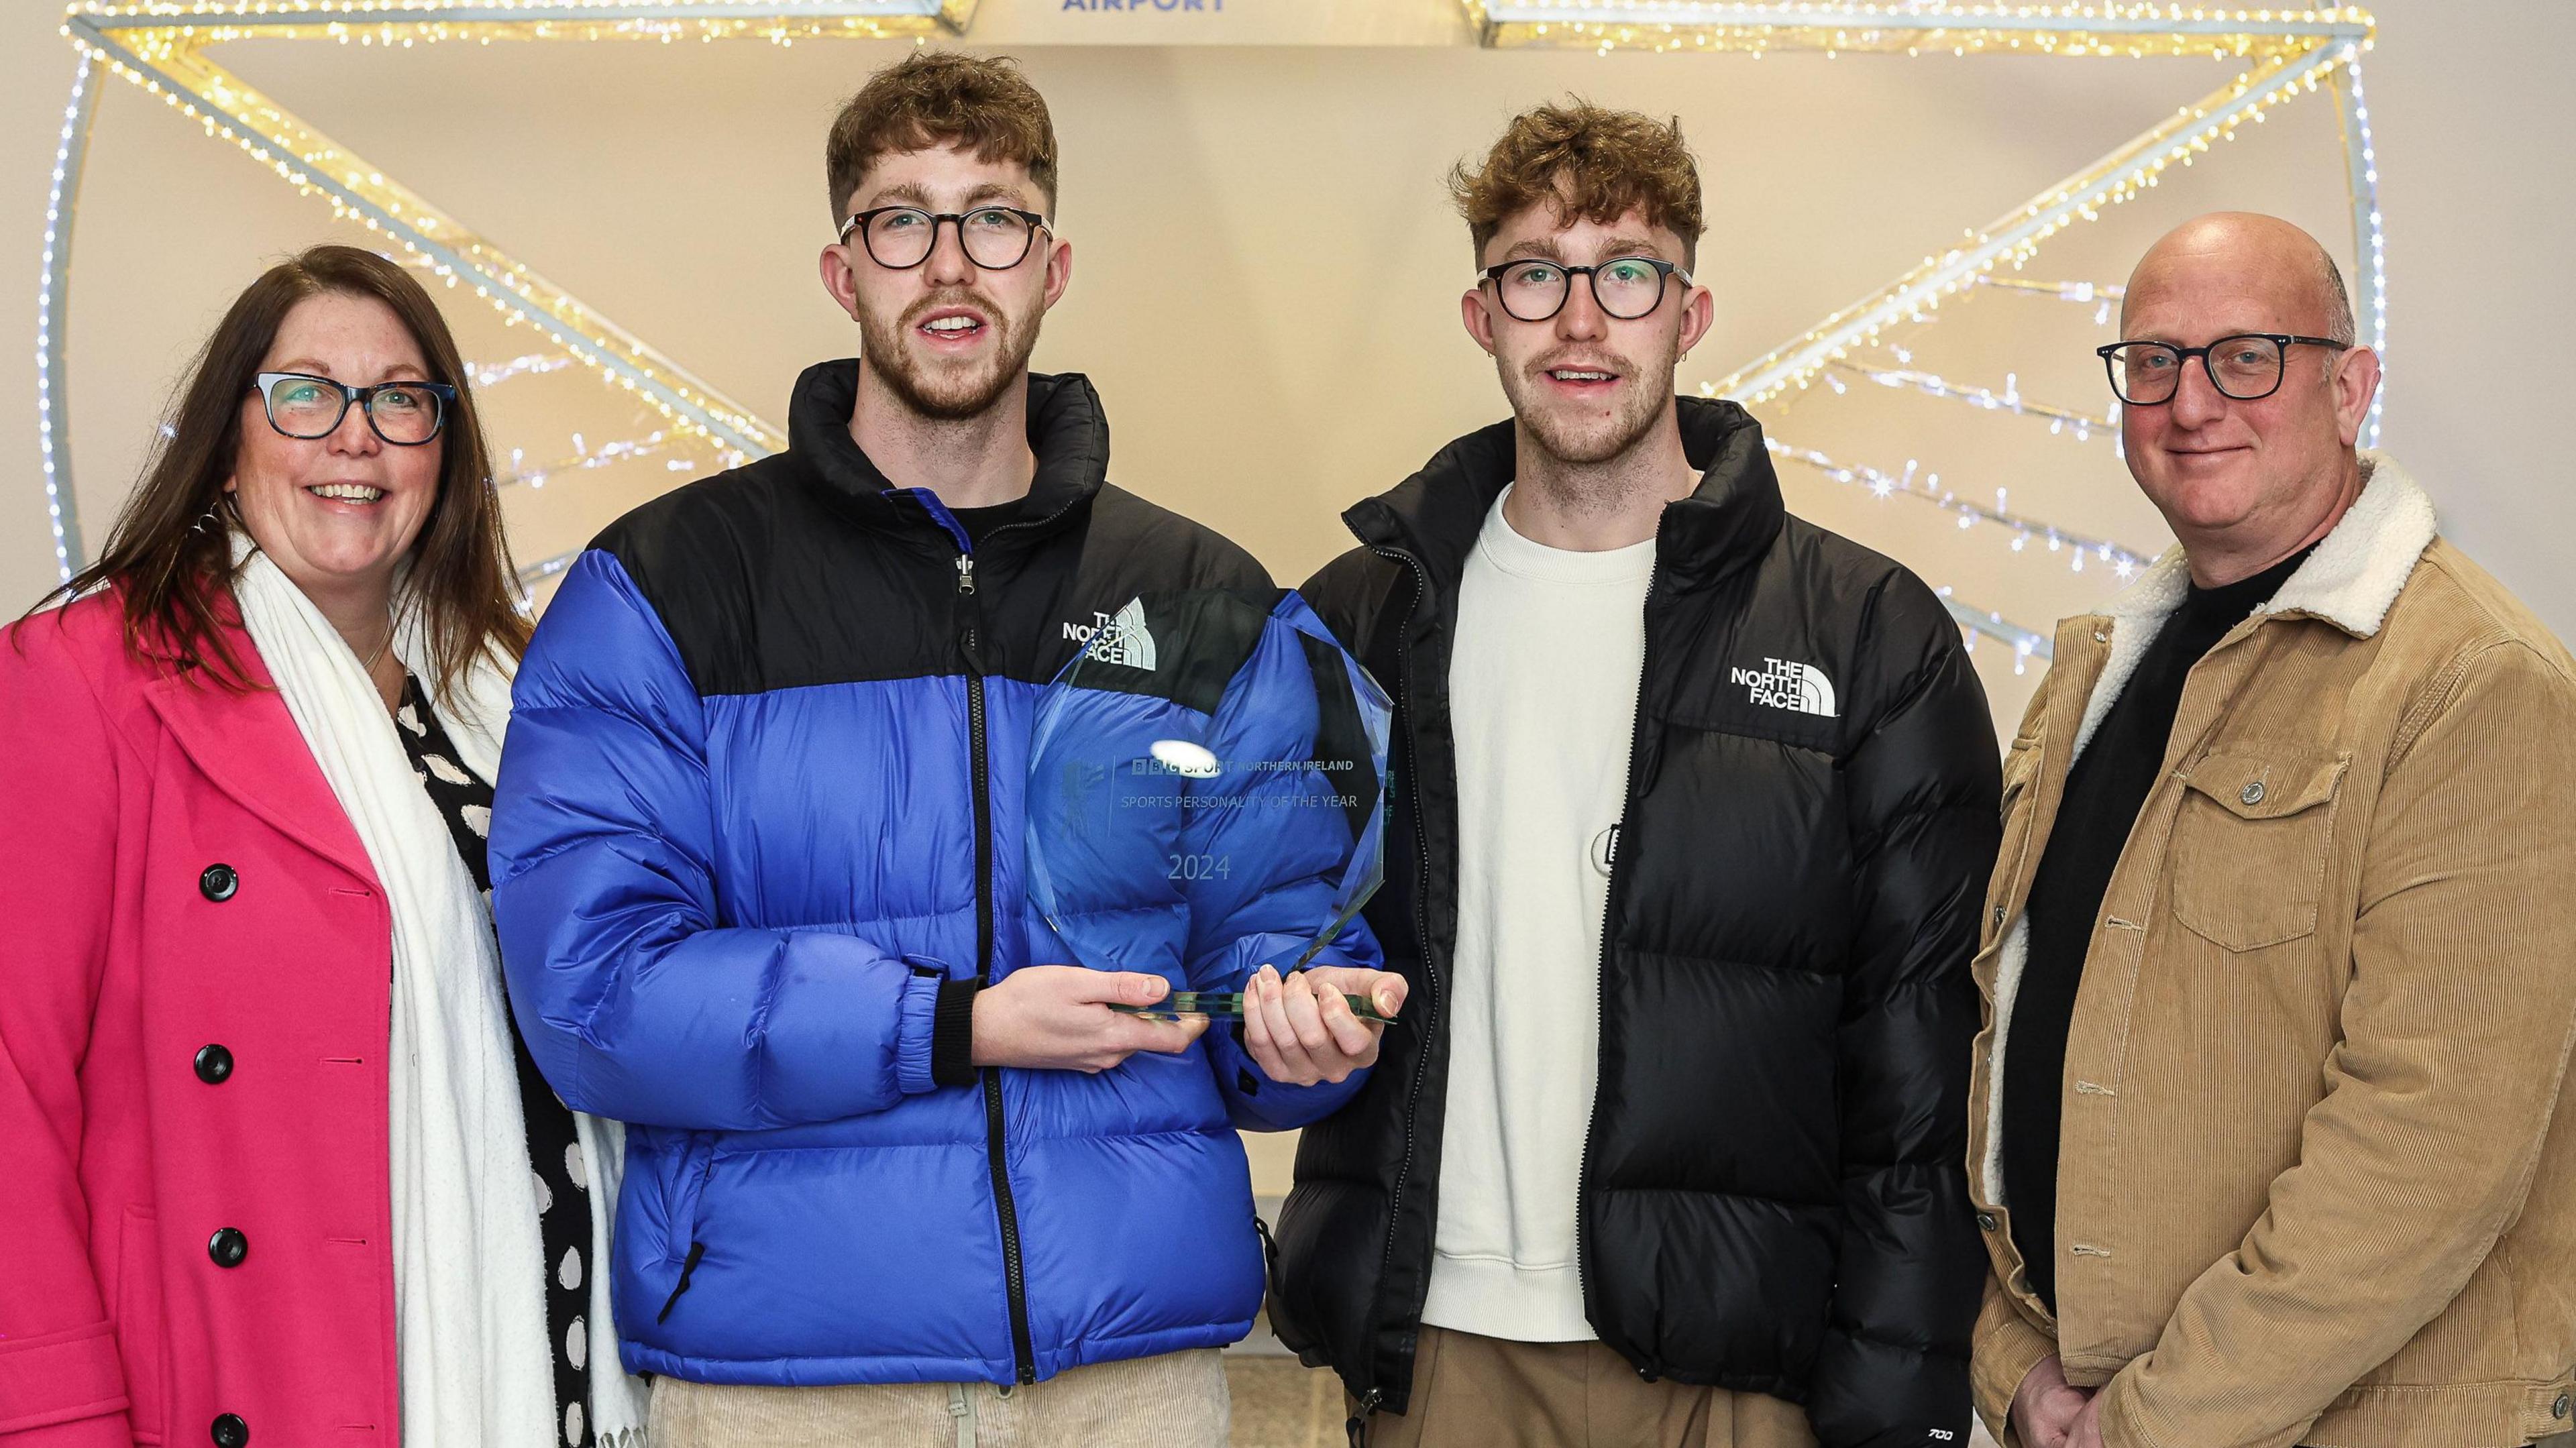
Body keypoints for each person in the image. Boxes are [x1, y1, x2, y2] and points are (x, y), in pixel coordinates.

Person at [485, 52, 1401, 1447]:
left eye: (995, 217)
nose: (950, 262)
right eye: (901, 220)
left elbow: (1276, 950)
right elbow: (592, 994)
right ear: (843, 270)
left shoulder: (1202, 596)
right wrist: (947, 1025)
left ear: (1054, 263)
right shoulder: (663, 588)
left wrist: (1303, 1033)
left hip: (1129, 1375)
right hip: (785, 1380)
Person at [1273, 100, 1999, 1448]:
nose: (1582, 322)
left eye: (1628, 272)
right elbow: (1265, 930)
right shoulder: (1357, 620)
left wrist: (1901, 1396)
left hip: (1732, 1365)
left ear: (1690, 310)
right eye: (1536, 273)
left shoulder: (1867, 633)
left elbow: (1920, 1073)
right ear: (1484, 314)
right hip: (1439, 1348)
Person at [0, 245, 647, 1448]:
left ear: (441, 450)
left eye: (401, 399)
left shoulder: (521, 694)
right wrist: (52, 1416)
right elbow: (11, 1088)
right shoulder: (81, 678)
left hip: (556, 1352)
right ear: (229, 435)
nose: (355, 437)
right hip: (265, 1369)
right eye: (306, 392)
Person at [1971, 212, 2576, 1448]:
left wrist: (2149, 1422)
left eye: (2248, 356)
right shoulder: (2096, 677)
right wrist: (2013, 1363)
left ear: (2350, 388)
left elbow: (2430, 1142)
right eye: (2154, 361)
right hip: (2085, 1405)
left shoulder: (2475, 682)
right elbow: (2000, 1034)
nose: (2193, 403)